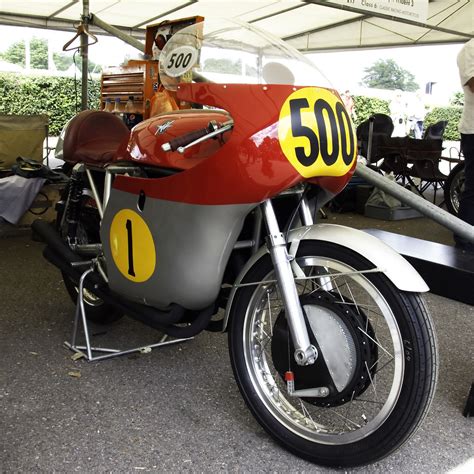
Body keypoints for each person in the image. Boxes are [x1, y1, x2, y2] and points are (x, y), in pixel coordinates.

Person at [455, 39, 474, 251]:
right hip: (473, 130)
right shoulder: (470, 49)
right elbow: (473, 83)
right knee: (473, 189)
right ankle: (465, 241)